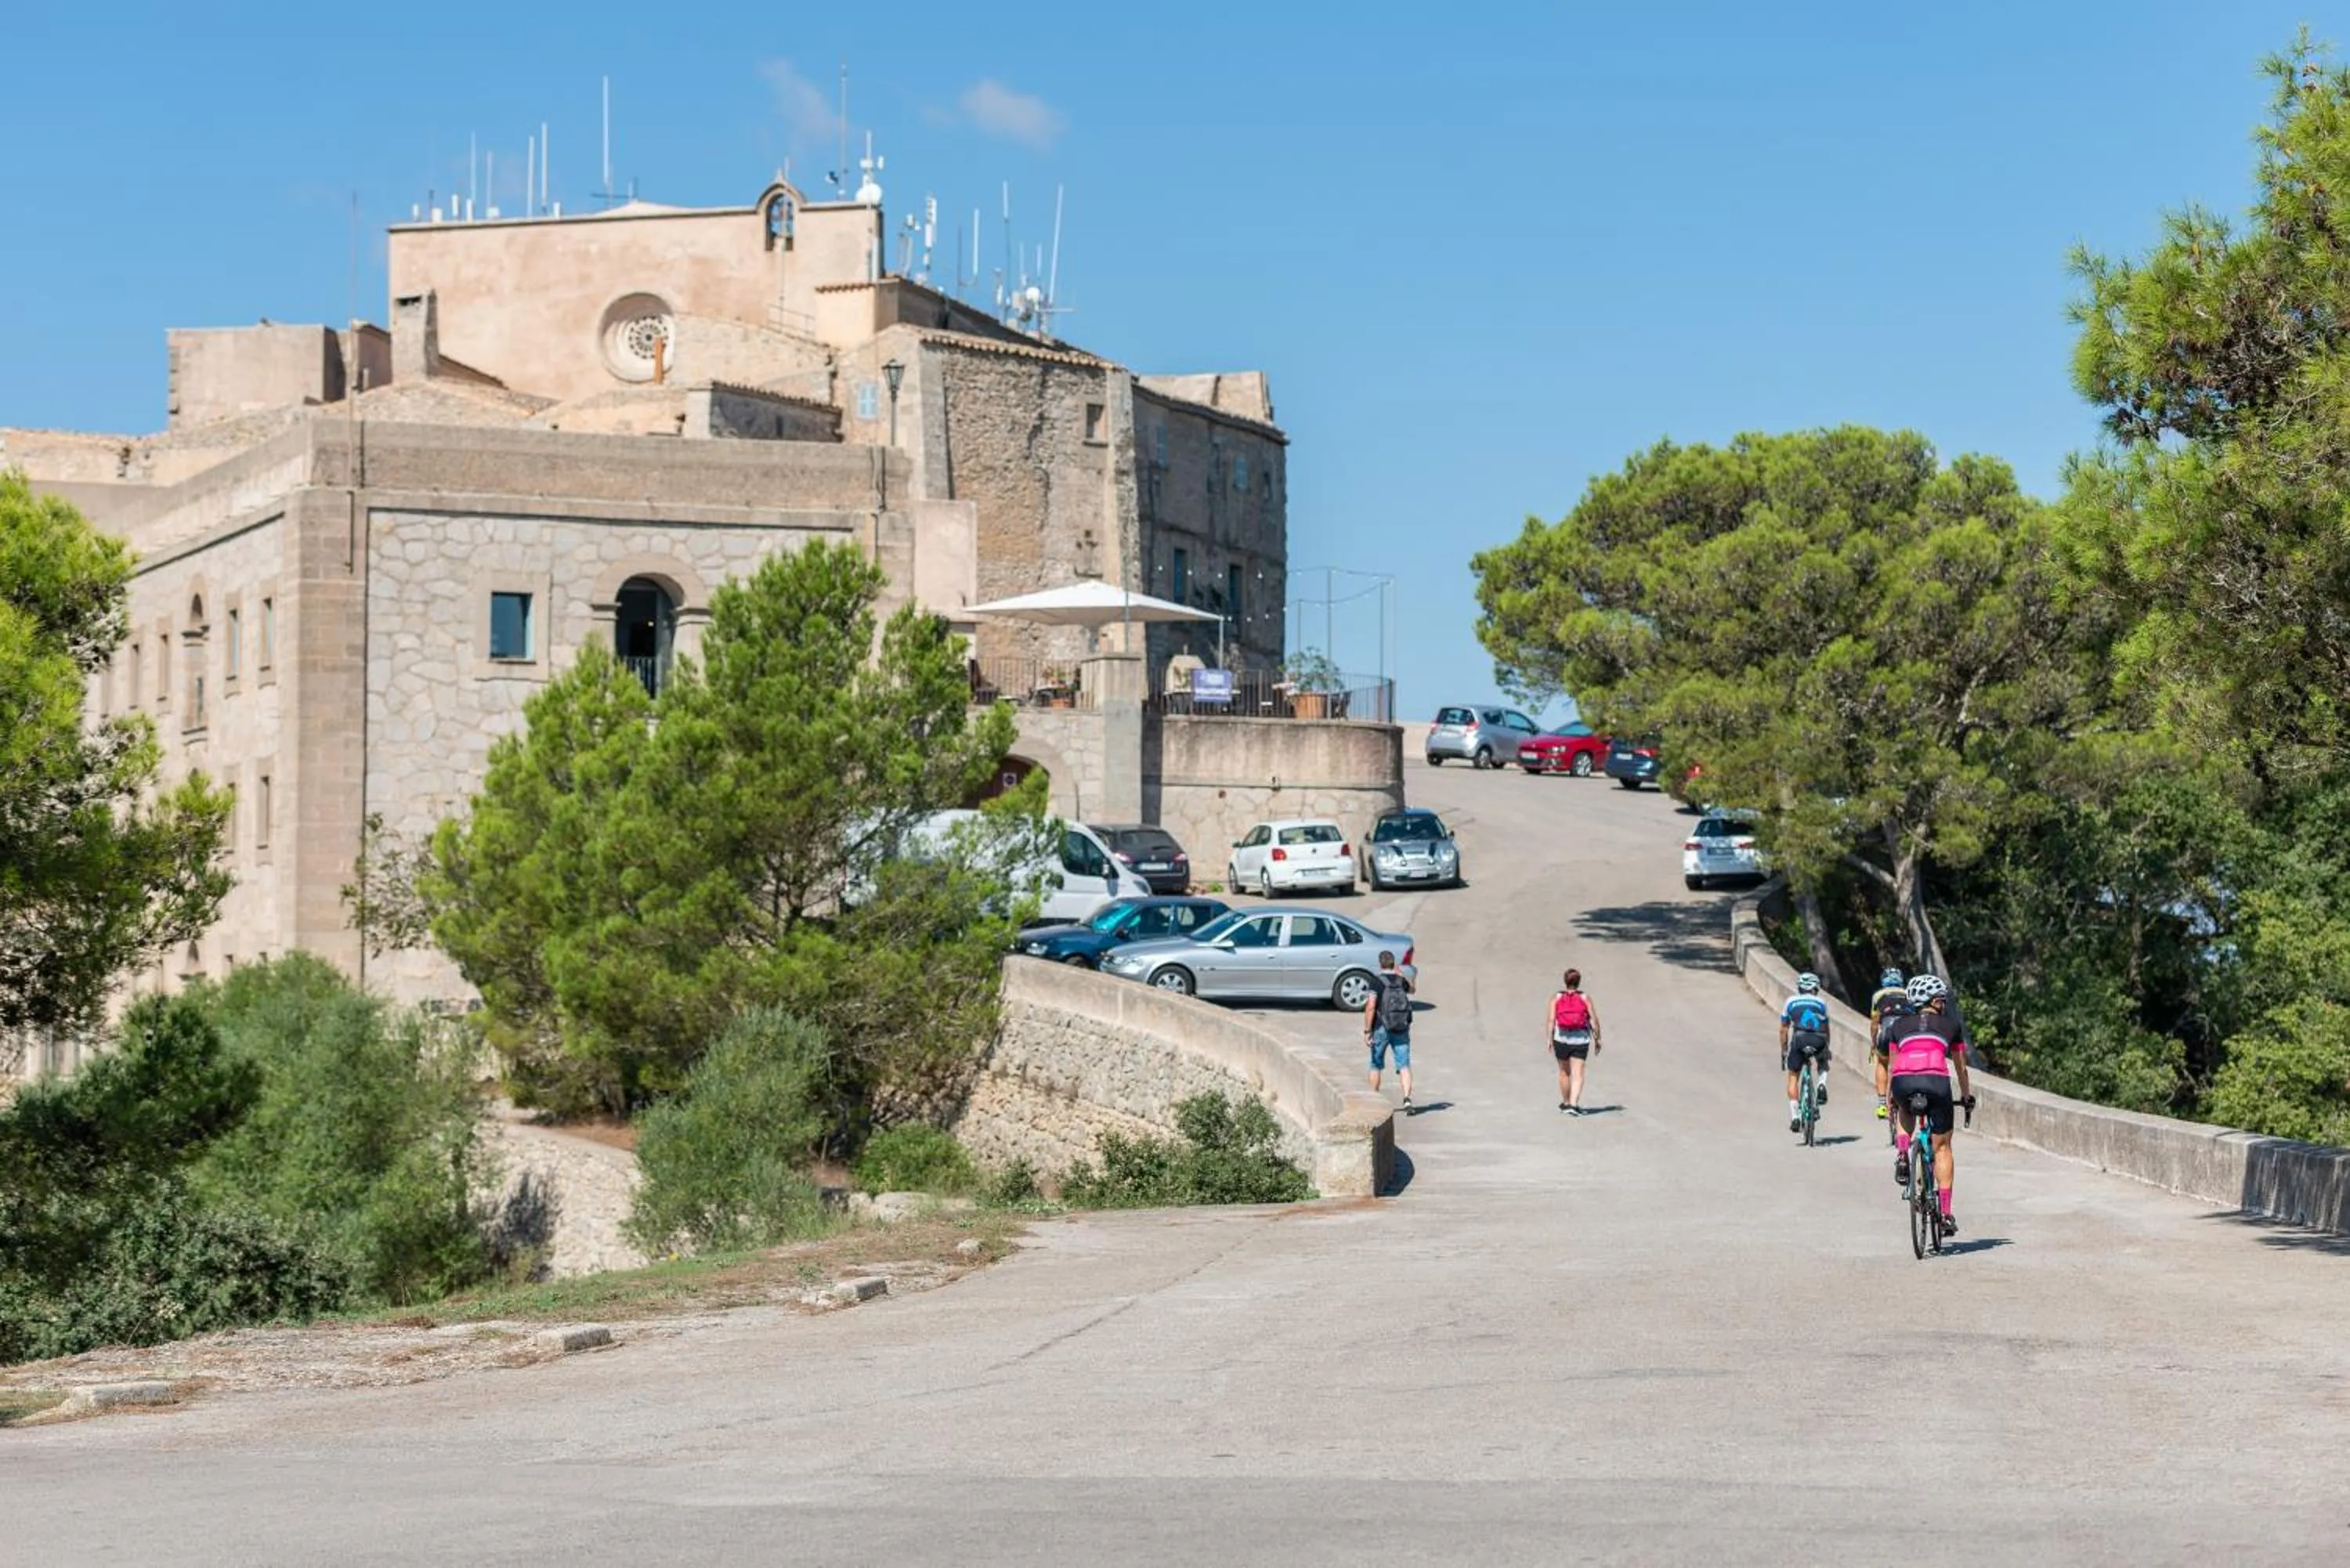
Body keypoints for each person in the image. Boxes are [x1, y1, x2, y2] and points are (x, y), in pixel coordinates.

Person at [1881, 973, 1976, 1238]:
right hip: (1936, 1081)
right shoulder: (1951, 1026)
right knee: (1942, 1147)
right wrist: (1966, 1096)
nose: (1944, 1004)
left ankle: (1902, 1154)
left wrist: (1890, 1097)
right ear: (1934, 1002)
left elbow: (1892, 1066)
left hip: (1903, 1081)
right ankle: (1945, 1214)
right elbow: (1961, 1068)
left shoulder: (1898, 1026)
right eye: (1941, 1000)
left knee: (1904, 1109)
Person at [1362, 948, 1415, 1111]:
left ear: (1380, 964)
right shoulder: (1401, 981)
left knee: (1376, 1064)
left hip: (1381, 1027)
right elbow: (1412, 989)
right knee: (1404, 1064)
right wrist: (1402, 975)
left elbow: (1371, 1006)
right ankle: (1407, 1100)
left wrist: (1367, 1031)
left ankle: (1374, 1101)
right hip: (1401, 1027)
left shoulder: (1376, 981)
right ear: (1394, 964)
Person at [1779, 972, 1832, 1132]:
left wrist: (1784, 1050)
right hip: (1818, 1038)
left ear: (1800, 988)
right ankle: (1822, 1084)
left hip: (1799, 1038)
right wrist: (1826, 1048)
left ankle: (1795, 1116)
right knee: (1823, 1064)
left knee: (1793, 1076)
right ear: (1816, 989)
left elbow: (1783, 1029)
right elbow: (1826, 1028)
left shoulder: (1790, 1001)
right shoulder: (1821, 1003)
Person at [1549, 968, 1602, 1115]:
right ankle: (1573, 1105)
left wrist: (1549, 1038)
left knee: (1564, 1072)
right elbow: (1594, 1020)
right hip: (1580, 1040)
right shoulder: (1585, 998)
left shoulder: (1557, 997)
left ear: (1565, 981)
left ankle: (1566, 1103)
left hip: (1561, 1039)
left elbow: (1551, 1020)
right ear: (1579, 982)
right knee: (1578, 1074)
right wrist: (1598, 1039)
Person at [1867, 967, 1909, 1122]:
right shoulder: (1909, 994)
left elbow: (1874, 1022)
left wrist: (1873, 1041)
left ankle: (1881, 1104)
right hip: (1905, 1034)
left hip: (1886, 1033)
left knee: (1882, 1063)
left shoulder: (1878, 995)